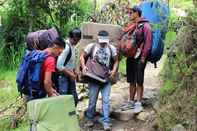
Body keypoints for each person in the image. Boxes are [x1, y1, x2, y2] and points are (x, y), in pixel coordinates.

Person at [80, 30, 119, 131]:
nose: (103, 43)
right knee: (92, 100)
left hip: (106, 79)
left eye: (105, 41)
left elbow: (116, 61)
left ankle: (106, 122)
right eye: (101, 41)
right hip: (94, 78)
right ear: (98, 39)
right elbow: (82, 57)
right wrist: (84, 67)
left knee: (106, 101)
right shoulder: (91, 47)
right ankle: (89, 119)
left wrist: (114, 71)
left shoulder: (111, 49)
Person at [126, 6, 152, 113]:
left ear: (137, 13)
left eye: (131, 12)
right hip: (130, 57)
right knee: (131, 79)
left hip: (140, 57)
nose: (130, 14)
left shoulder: (146, 26)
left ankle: (138, 103)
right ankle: (131, 101)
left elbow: (148, 43)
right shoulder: (132, 26)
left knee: (139, 80)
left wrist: (143, 57)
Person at [56, 28, 81, 106]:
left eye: (78, 40)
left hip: (70, 76)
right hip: (63, 77)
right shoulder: (66, 47)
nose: (77, 42)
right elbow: (59, 65)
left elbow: (72, 62)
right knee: (64, 100)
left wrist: (75, 71)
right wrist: (71, 74)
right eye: (75, 40)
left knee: (74, 100)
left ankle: (70, 116)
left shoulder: (73, 46)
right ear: (71, 38)